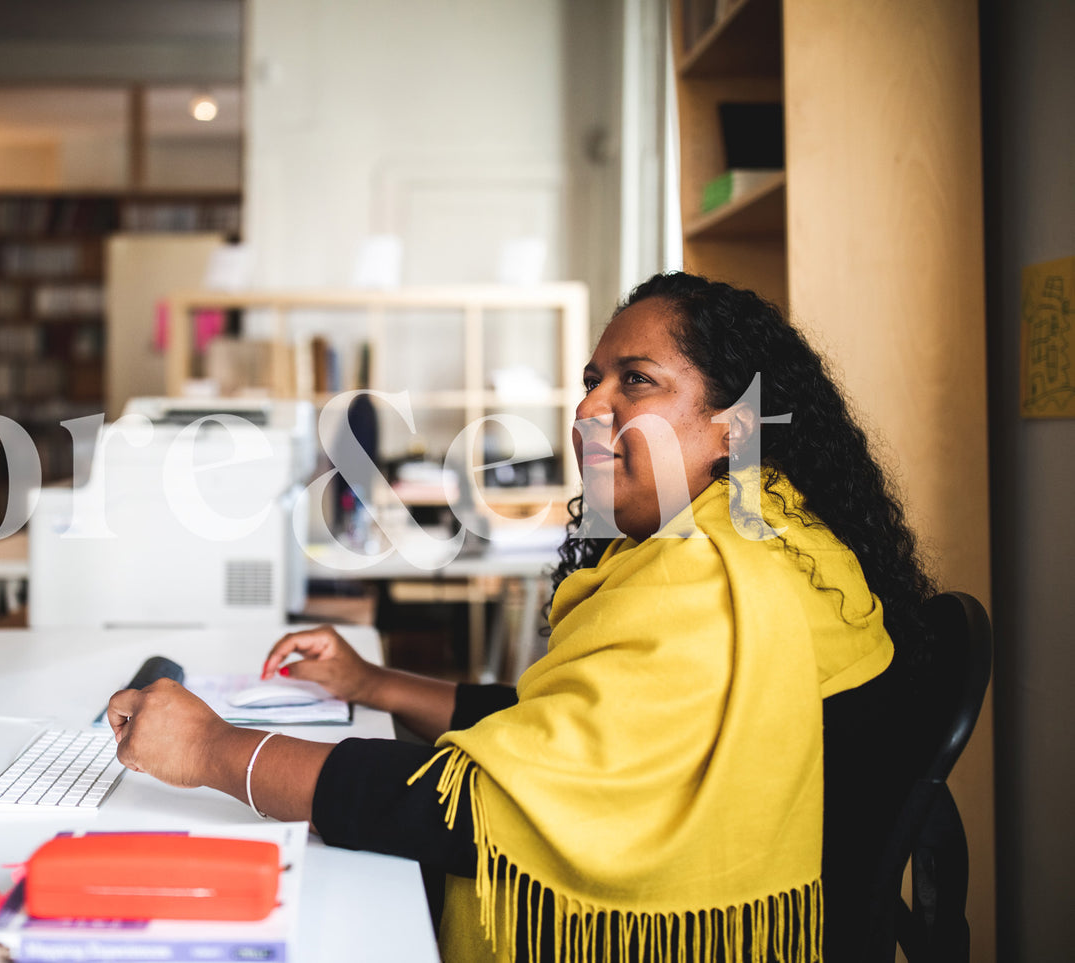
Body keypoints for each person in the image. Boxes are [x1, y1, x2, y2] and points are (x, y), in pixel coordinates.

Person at [107, 272, 934, 963]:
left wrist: (214, 750)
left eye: (635, 380)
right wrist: (371, 682)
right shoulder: (773, 533)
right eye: (590, 379)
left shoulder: (703, 584)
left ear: (733, 427)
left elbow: (473, 810)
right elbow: (573, 737)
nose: (587, 409)